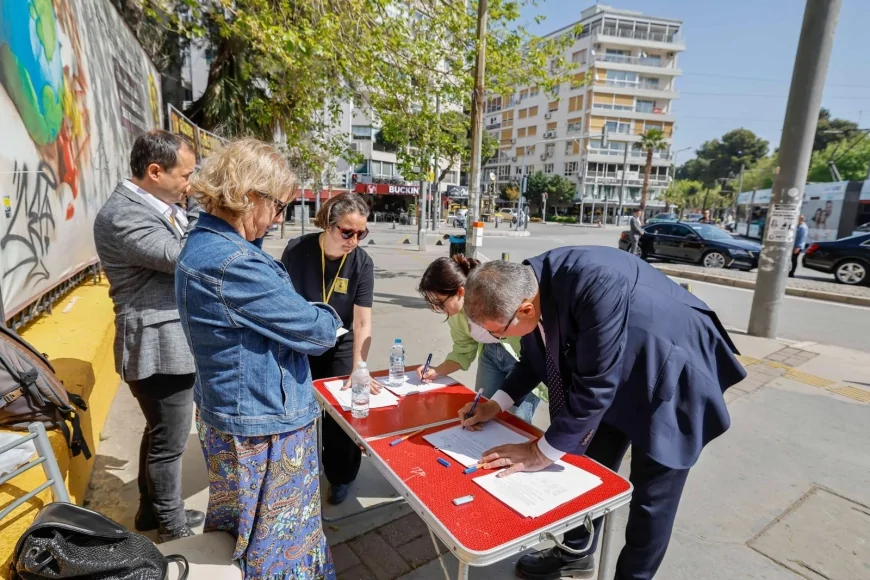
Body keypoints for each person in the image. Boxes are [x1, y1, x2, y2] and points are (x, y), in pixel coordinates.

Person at [458, 247, 746, 580]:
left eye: (497, 332)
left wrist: (539, 452)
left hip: (673, 373)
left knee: (651, 501)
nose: (497, 338)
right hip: (616, 372)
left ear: (525, 308)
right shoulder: (530, 286)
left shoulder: (593, 282)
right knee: (587, 469)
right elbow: (536, 356)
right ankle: (574, 554)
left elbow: (595, 386)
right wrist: (497, 404)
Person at [176, 138, 341, 578]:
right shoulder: (234, 262)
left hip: (235, 410)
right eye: (280, 206)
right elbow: (317, 331)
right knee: (278, 543)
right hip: (264, 424)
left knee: (244, 532)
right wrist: (321, 311)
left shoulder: (206, 245)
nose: (280, 218)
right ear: (250, 196)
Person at [93, 130, 205, 541]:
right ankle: (173, 530)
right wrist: (198, 211)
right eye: (186, 175)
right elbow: (182, 257)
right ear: (155, 171)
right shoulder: (123, 213)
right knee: (170, 444)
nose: (190, 184)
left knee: (160, 432)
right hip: (157, 346)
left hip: (167, 342)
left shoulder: (155, 203)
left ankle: (147, 512)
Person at [281, 192, 379, 505]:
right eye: (347, 232)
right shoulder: (298, 250)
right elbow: (281, 301)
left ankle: (341, 476)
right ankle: (296, 470)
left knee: (341, 411)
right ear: (328, 224)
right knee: (297, 409)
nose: (354, 239)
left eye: (361, 233)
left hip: (341, 341)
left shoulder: (362, 263)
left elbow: (363, 321)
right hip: (302, 340)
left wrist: (359, 366)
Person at [417, 255, 541, 423]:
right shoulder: (456, 316)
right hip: (490, 356)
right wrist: (436, 371)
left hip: (523, 359)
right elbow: (463, 351)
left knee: (515, 420)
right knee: (481, 410)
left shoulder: (495, 297)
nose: (437, 309)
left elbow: (532, 359)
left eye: (439, 303)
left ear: (460, 292)